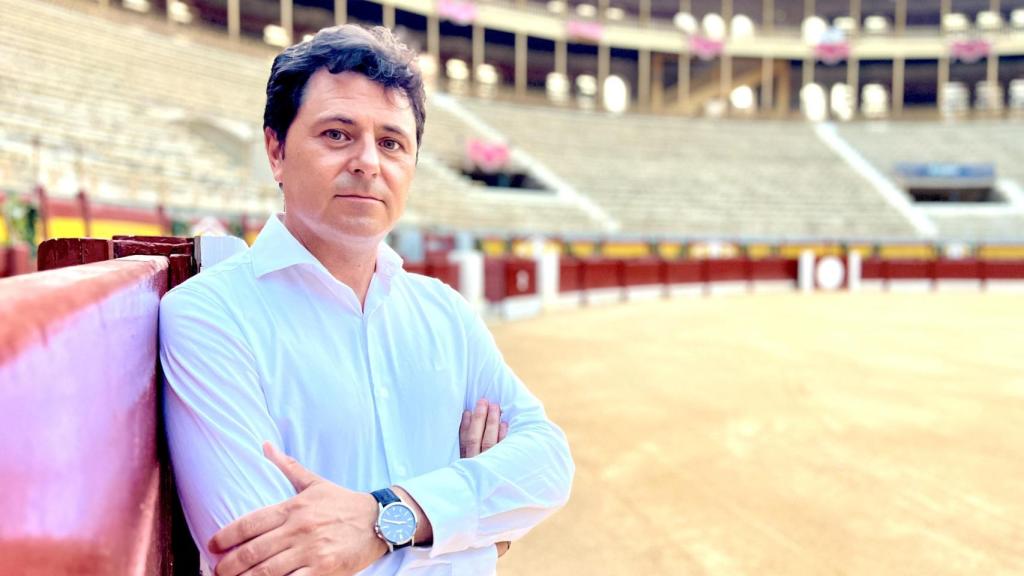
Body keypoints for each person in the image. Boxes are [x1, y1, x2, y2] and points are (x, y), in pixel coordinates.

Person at [158, 24, 574, 576]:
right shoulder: (209, 316)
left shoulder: (443, 312)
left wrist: (390, 517)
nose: (368, 162)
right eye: (336, 134)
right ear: (276, 151)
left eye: (392, 142)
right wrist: (474, 533)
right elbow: (260, 565)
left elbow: (549, 462)